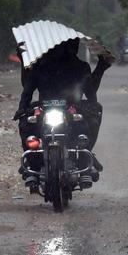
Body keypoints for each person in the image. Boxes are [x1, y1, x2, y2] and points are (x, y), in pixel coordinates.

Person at [13, 39, 111, 191]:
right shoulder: (39, 66)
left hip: (72, 108)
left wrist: (92, 104)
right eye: (61, 47)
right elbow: (27, 89)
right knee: (27, 126)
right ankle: (32, 165)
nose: (63, 51)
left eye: (67, 47)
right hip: (44, 108)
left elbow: (90, 90)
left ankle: (85, 160)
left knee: (85, 128)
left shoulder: (80, 67)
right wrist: (22, 109)